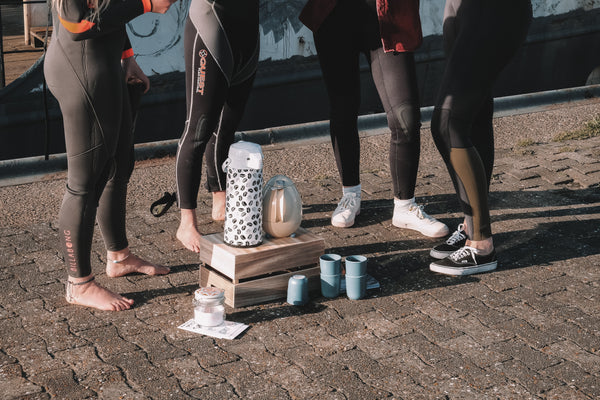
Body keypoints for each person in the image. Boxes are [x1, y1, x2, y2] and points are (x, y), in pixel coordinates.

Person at [44, 0, 175, 311]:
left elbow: (109, 8)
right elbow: (77, 23)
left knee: (119, 165)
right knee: (85, 182)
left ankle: (119, 256)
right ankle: (79, 284)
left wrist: (127, 57)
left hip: (106, 65)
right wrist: (146, 4)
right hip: (80, 71)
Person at [299, 0, 449, 238]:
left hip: (389, 17)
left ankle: (405, 206)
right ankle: (350, 195)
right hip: (334, 15)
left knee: (405, 118)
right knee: (342, 109)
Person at [428, 0, 532, 275]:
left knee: (447, 123)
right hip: (462, 10)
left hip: (494, 9)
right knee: (474, 117)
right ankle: (471, 227)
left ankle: (481, 245)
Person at [175, 0, 259, 253]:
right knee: (198, 129)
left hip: (247, 34)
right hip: (212, 26)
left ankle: (220, 197)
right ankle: (186, 222)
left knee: (227, 125)